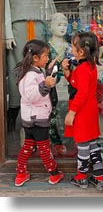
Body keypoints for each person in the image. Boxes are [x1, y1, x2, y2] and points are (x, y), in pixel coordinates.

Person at [5, 0, 56, 132]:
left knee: (39, 71)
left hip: (38, 27)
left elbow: (48, 3)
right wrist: (7, 31)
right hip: (20, 27)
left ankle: (41, 115)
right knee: (18, 71)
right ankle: (13, 115)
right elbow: (3, 1)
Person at [13, 39, 64, 187]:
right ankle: (54, 174)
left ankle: (21, 174)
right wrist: (45, 84)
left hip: (30, 118)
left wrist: (48, 72)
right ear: (35, 58)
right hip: (37, 119)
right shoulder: (30, 75)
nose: (48, 58)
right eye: (46, 56)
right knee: (44, 148)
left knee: (28, 146)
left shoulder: (34, 71)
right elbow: (30, 95)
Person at [61, 32, 103, 191]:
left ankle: (81, 176)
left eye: (73, 46)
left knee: (83, 145)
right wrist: (67, 72)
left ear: (81, 51)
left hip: (82, 110)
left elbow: (81, 92)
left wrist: (72, 112)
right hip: (89, 108)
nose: (71, 49)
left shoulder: (83, 69)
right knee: (92, 143)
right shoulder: (89, 66)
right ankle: (99, 176)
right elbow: (78, 84)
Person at [47, 12, 72, 155]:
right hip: (52, 84)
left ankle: (67, 139)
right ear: (51, 26)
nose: (62, 27)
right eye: (58, 24)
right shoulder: (47, 47)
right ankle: (55, 141)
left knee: (66, 110)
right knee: (53, 112)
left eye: (64, 24)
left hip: (67, 83)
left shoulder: (69, 46)